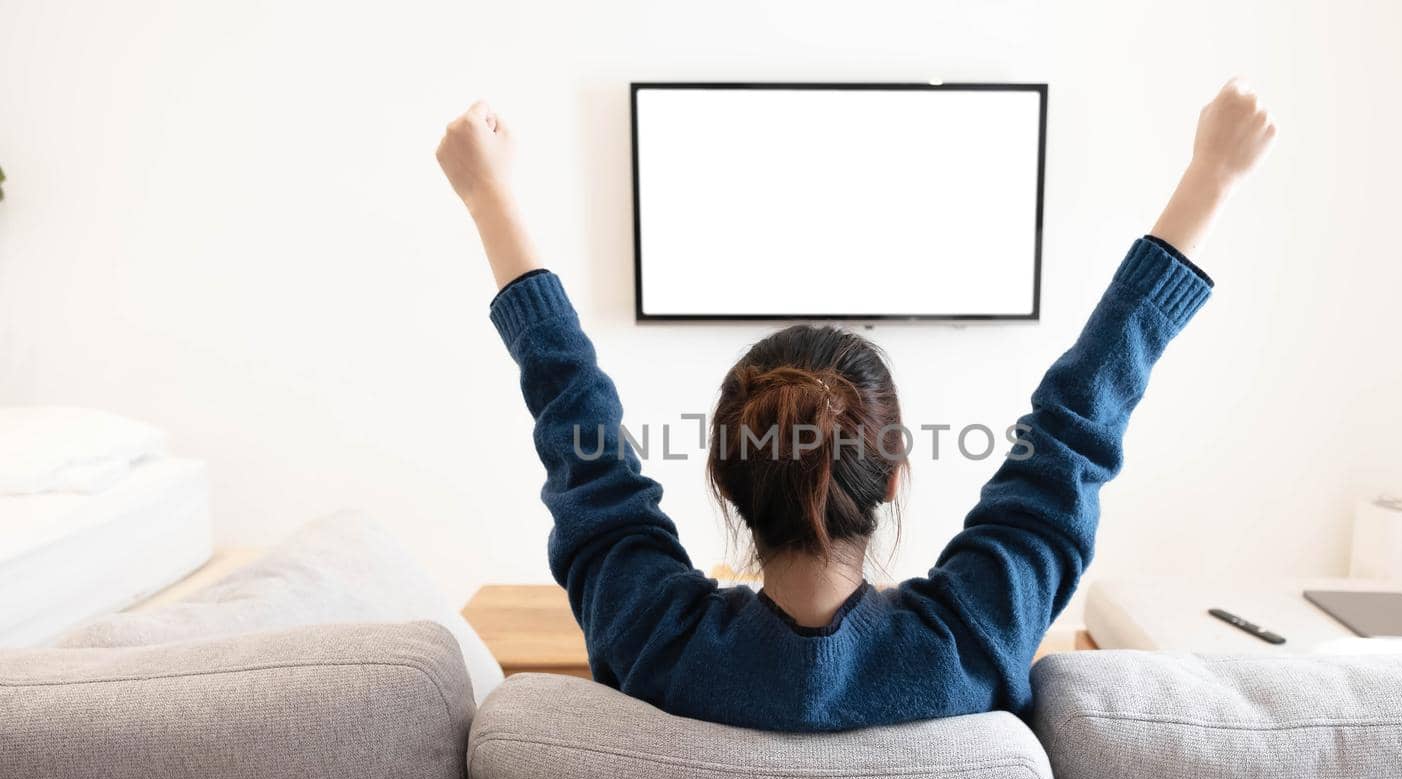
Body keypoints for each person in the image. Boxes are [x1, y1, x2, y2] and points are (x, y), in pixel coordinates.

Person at [435, 80, 1276, 731]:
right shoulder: (977, 637)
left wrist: (488, 199)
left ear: (724, 484)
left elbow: (571, 414)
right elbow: (1078, 427)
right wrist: (1213, 177)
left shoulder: (652, 641)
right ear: (896, 473)